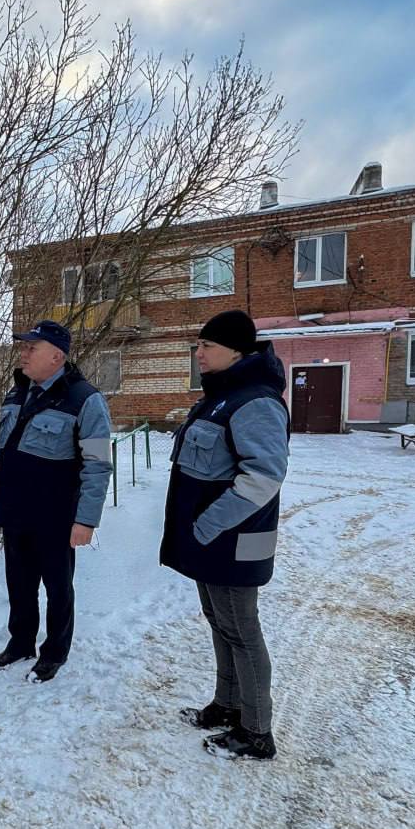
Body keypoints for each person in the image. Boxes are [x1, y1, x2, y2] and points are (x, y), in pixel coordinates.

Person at [159, 309, 289, 761]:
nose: (199, 354)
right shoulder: (223, 395)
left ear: (236, 350)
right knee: (221, 624)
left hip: (233, 539)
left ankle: (256, 732)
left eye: (207, 346)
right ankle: (228, 705)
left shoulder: (255, 401)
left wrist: (208, 524)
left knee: (242, 630)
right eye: (199, 345)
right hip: (212, 541)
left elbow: (264, 477)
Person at [0, 320, 113, 683]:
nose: (22, 354)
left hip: (56, 515)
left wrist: (86, 520)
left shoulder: (85, 400)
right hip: (15, 508)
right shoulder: (16, 395)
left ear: (56, 355)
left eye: (30, 348)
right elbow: (1, 450)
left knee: (57, 587)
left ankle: (54, 652)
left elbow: (99, 466)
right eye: (23, 347)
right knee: (18, 583)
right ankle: (20, 642)